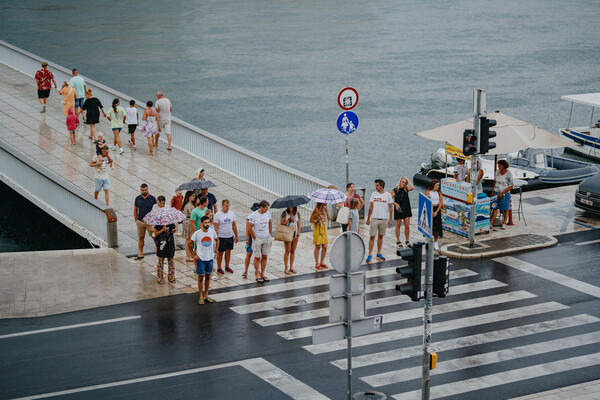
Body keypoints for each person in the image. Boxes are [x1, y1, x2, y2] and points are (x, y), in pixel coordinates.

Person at [189, 216, 219, 305]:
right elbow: (189, 243)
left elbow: (217, 240)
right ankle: (201, 296)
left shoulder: (212, 232)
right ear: (202, 223)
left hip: (210, 258)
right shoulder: (197, 233)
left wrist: (216, 251)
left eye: (208, 222)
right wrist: (193, 255)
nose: (207, 224)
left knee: (208, 278)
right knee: (200, 278)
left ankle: (206, 295)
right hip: (201, 259)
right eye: (205, 223)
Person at [365, 179, 393, 263]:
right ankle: (370, 254)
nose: (376, 187)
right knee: (372, 236)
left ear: (381, 186)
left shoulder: (388, 195)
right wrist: (368, 218)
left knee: (381, 236)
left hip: (383, 219)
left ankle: (379, 252)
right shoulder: (374, 194)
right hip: (374, 218)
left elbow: (391, 208)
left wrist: (390, 219)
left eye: (377, 185)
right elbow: (371, 207)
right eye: (376, 185)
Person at [248, 200, 272, 283]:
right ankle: (257, 273)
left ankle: (263, 273)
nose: (267, 210)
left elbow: (270, 222)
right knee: (257, 256)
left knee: (265, 256)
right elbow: (249, 227)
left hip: (266, 237)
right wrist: (254, 237)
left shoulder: (267, 214)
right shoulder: (253, 215)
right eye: (266, 208)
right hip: (258, 237)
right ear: (261, 207)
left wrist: (269, 233)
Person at [214, 199, 238, 275]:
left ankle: (227, 266)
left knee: (228, 251)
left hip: (230, 236)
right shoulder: (217, 215)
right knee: (220, 252)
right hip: (221, 237)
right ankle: (219, 267)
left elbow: (234, 225)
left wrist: (236, 235)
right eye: (226, 206)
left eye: (228, 206)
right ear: (222, 205)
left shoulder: (231, 213)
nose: (227, 208)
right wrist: (216, 238)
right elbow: (216, 227)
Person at [133, 183, 157, 260]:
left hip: (150, 222)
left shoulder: (152, 198)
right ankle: (140, 253)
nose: (144, 191)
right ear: (140, 190)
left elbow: (155, 209)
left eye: (145, 190)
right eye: (143, 190)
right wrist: (136, 219)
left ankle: (158, 253)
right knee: (141, 237)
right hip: (141, 221)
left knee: (154, 237)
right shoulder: (137, 198)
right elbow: (135, 209)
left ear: (148, 189)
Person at [490, 159, 514, 230]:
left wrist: (502, 193)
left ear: (503, 166)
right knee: (494, 207)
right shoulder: (497, 172)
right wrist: (493, 191)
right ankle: (491, 222)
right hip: (496, 192)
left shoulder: (508, 174)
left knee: (505, 208)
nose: (498, 167)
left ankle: (504, 223)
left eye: (499, 165)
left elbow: (511, 186)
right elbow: (495, 182)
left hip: (505, 193)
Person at [391, 176, 414, 249]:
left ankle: (407, 241)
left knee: (407, 225)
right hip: (398, 209)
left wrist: (407, 179)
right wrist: (396, 204)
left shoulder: (406, 189)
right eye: (403, 182)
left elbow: (412, 187)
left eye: (405, 182)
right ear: (400, 182)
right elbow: (390, 200)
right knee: (398, 225)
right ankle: (398, 241)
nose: (404, 183)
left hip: (406, 208)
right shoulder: (395, 190)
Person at [242, 203, 260, 278]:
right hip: (252, 237)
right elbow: (247, 228)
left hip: (258, 236)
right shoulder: (250, 217)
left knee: (258, 255)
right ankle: (246, 270)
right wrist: (248, 239)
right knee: (249, 254)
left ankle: (257, 270)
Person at [281, 206, 300, 274]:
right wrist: (288, 220)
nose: (291, 207)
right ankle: (286, 267)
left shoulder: (297, 213)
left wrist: (298, 234)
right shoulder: (284, 213)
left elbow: (299, 224)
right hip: (287, 232)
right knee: (287, 250)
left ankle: (291, 267)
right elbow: (282, 223)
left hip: (295, 232)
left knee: (293, 251)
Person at [426, 179, 444, 250]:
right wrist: (432, 211)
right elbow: (428, 201)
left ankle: (436, 243)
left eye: (438, 185)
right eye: (437, 185)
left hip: (437, 208)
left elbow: (441, 202)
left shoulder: (439, 192)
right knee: (431, 226)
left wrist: (436, 211)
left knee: (436, 227)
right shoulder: (428, 192)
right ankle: (430, 241)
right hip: (431, 208)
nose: (438, 187)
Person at [310, 203, 330, 270]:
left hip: (324, 230)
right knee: (317, 246)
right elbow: (311, 220)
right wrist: (317, 220)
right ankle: (317, 263)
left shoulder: (325, 210)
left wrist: (327, 212)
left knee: (325, 247)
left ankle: (322, 262)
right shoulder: (316, 210)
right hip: (317, 230)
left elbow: (329, 218)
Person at [181, 191, 196, 262]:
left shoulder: (188, 204)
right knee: (188, 239)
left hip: (187, 221)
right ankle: (188, 256)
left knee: (188, 239)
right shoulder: (189, 205)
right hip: (188, 222)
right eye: (192, 196)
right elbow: (192, 213)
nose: (194, 197)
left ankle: (189, 255)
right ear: (189, 197)